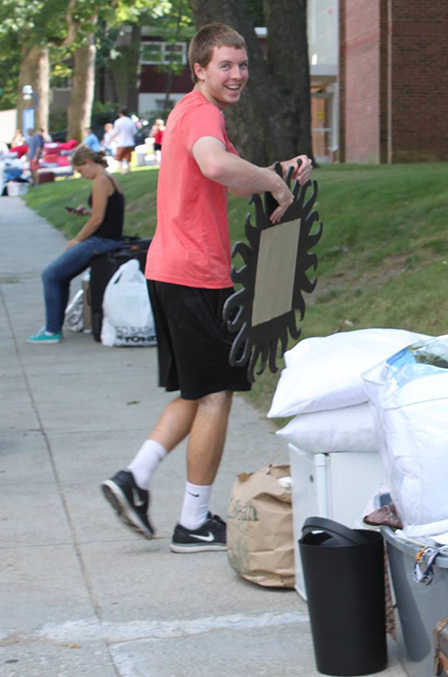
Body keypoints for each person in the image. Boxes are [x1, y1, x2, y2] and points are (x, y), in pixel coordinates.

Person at [100, 22, 312, 553]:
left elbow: (227, 176)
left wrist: (275, 172)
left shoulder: (190, 115)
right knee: (216, 394)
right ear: (200, 69)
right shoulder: (204, 113)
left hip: (172, 271)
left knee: (195, 392)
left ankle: (134, 478)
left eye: (243, 65)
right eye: (226, 65)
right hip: (195, 275)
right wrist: (275, 182)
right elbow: (218, 164)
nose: (237, 74)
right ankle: (193, 521)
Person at [27, 147, 125, 344]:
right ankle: (53, 326)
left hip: (101, 241)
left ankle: (52, 331)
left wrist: (77, 240)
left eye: (80, 170)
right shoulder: (110, 178)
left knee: (51, 275)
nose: (81, 175)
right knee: (59, 276)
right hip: (110, 238)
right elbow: (106, 213)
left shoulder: (100, 181)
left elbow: (97, 220)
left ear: (87, 163)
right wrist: (86, 212)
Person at [113, 107, 137, 174]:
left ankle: (122, 170)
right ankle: (128, 169)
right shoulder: (130, 121)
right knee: (128, 157)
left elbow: (115, 132)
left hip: (121, 142)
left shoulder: (118, 121)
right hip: (130, 142)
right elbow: (134, 132)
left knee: (119, 157)